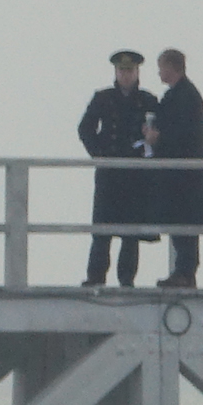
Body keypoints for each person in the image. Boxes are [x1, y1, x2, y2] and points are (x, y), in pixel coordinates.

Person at [77, 49, 159, 288]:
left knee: (131, 233)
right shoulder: (103, 98)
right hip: (109, 173)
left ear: (137, 72)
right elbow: (85, 129)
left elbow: (159, 132)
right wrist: (99, 154)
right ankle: (96, 277)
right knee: (102, 230)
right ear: (116, 71)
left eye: (130, 70)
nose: (126, 75)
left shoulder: (148, 101)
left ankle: (127, 279)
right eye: (122, 70)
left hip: (135, 175)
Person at [144, 48, 203, 289]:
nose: (158, 72)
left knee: (184, 226)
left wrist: (158, 138)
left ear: (171, 67)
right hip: (181, 176)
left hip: (185, 176)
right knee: (181, 226)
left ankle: (184, 272)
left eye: (161, 66)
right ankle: (183, 272)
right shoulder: (182, 94)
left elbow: (184, 133)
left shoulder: (184, 96)